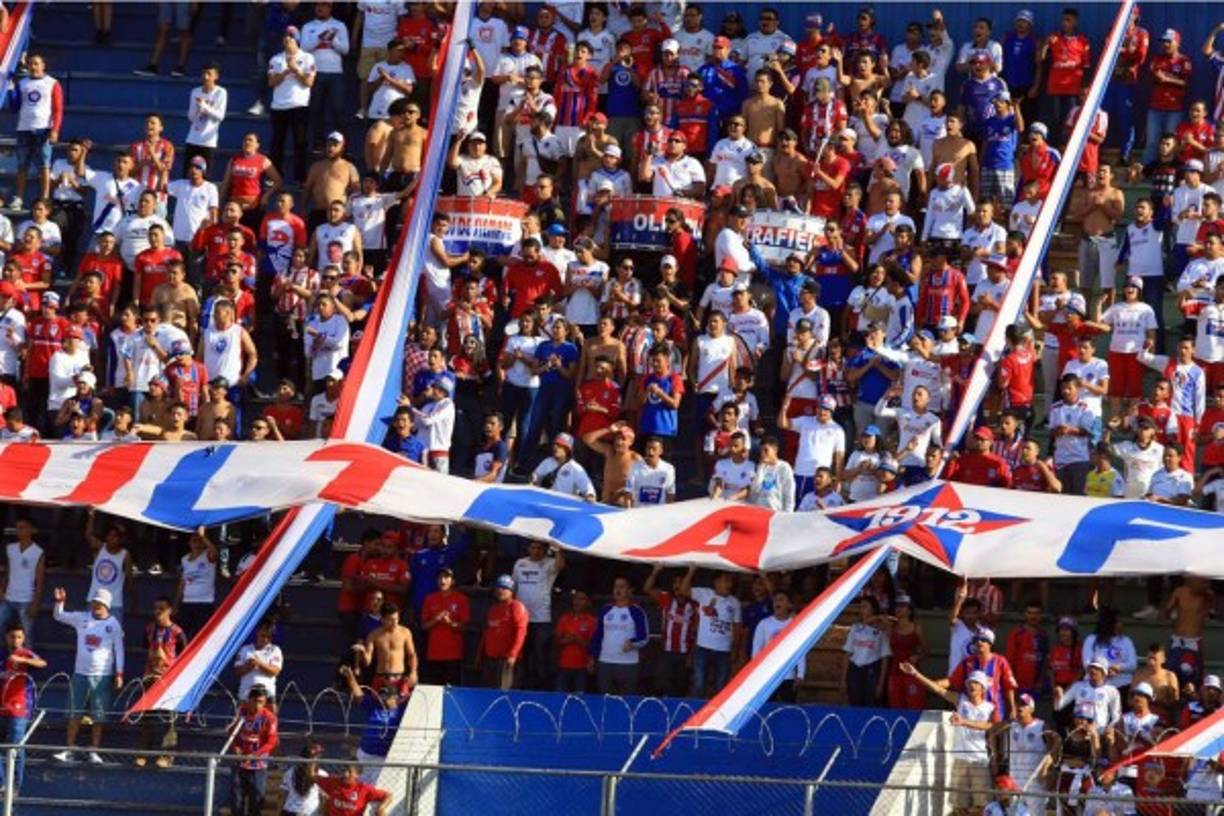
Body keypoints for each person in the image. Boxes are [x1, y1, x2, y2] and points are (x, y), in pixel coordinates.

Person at [899, 662, 995, 813]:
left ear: (983, 688)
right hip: (959, 759)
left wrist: (963, 722)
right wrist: (915, 673)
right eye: (970, 682)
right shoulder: (961, 700)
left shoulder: (990, 708)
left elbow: (988, 726)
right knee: (958, 805)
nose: (972, 685)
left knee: (983, 804)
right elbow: (937, 689)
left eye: (976, 683)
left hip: (979, 760)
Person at [52, 586, 123, 764]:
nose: (95, 605)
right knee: (74, 713)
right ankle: (69, 749)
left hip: (102, 676)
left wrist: (119, 673)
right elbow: (59, 616)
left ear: (107, 605)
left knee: (98, 716)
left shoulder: (113, 624)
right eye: (94, 602)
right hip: (80, 674)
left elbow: (119, 650)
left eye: (99, 603)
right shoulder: (82, 617)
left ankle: (94, 750)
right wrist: (59, 602)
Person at [0, 623, 44, 793]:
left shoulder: (25, 654)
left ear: (24, 638)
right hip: (2, 708)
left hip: (19, 709)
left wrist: (23, 660)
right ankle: (2, 783)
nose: (16, 640)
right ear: (6, 637)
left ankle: (15, 785)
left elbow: (42, 663)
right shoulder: (2, 655)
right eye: (13, 636)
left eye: (19, 637)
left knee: (16, 748)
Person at [588, 576, 649, 695]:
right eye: (616, 586)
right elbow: (598, 635)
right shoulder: (605, 609)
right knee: (605, 699)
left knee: (627, 701)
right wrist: (592, 657)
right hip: (605, 662)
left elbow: (644, 637)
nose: (618, 590)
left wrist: (632, 642)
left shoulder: (637, 611)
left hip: (628, 664)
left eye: (622, 586)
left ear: (630, 591)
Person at [230, 686, 279, 816]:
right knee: (236, 801)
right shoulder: (241, 712)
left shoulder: (269, 718)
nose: (258, 705)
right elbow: (232, 733)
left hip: (258, 765)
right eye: (255, 701)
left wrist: (255, 755)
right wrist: (234, 746)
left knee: (256, 801)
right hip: (239, 763)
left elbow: (271, 742)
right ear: (249, 700)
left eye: (261, 702)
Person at [477, 575, 528, 691]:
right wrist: (480, 657)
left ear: (511, 591)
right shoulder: (493, 609)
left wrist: (513, 655)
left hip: (507, 661)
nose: (501, 591)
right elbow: (487, 634)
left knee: (505, 693)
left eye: (505, 588)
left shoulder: (516, 606)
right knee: (489, 692)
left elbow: (521, 632)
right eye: (498, 587)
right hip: (491, 660)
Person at [0, 518, 45, 645]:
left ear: (31, 530)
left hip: (26, 600)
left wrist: (36, 602)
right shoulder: (10, 548)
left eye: (23, 527)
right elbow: (8, 571)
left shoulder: (38, 552)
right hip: (8, 598)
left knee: (27, 636)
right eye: (17, 527)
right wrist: (1, 589)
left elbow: (40, 580)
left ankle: (28, 664)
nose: (19, 530)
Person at [234, 620, 284, 704]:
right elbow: (237, 672)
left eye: (268, 637)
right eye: (263, 636)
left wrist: (259, 663)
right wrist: (249, 666)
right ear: (257, 634)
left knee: (270, 717)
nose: (265, 639)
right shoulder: (245, 649)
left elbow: (275, 671)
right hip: (245, 695)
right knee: (242, 717)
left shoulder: (275, 650)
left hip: (267, 696)